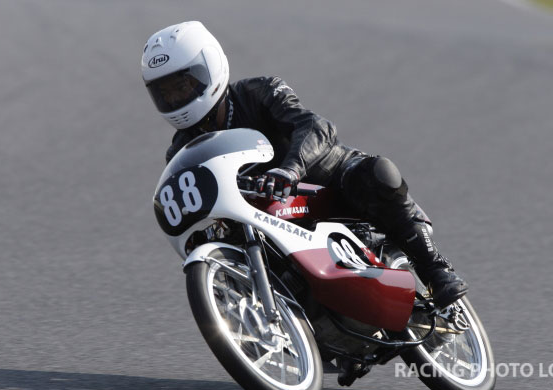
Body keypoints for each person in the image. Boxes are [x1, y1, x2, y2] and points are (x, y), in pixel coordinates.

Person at [141, 21, 468, 309]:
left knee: (378, 174)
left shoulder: (259, 91)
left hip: (321, 180)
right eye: (165, 92)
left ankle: (434, 269)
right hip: (264, 219)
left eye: (182, 85)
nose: (175, 99)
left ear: (209, 67)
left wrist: (289, 169)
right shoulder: (181, 151)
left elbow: (315, 126)